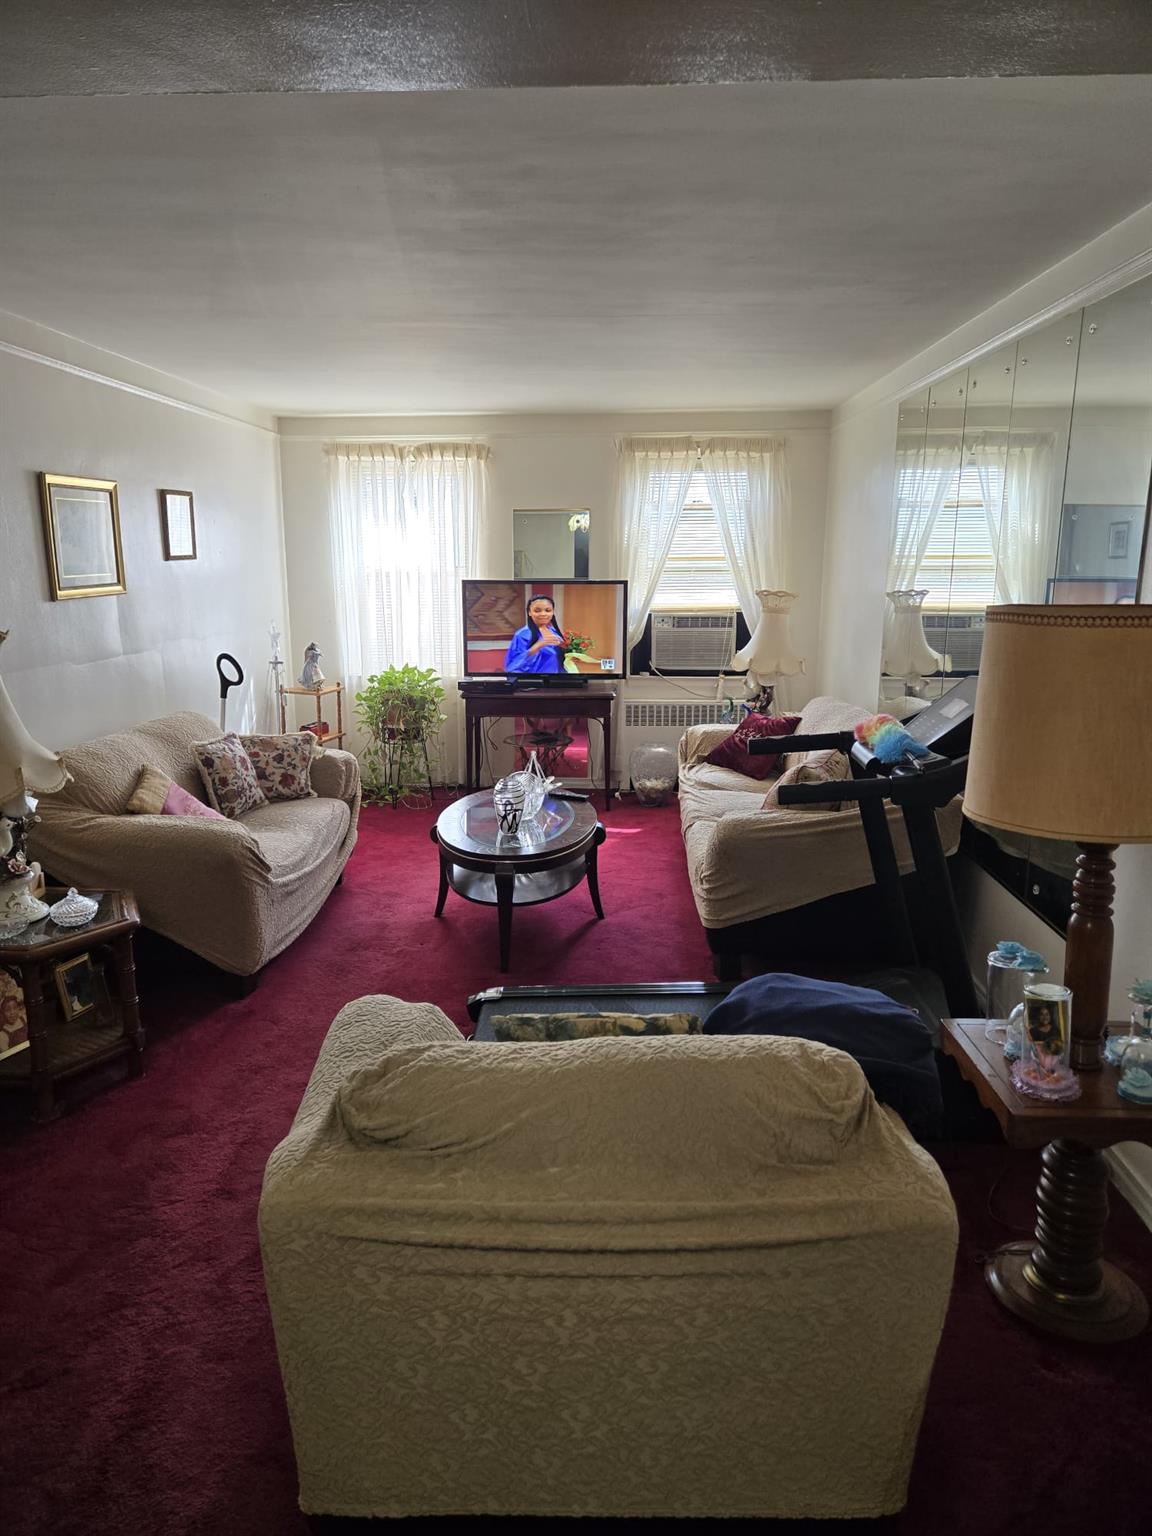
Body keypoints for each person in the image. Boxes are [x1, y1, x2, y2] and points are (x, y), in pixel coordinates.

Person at [504, 594, 567, 675]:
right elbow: (512, 666)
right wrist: (538, 646)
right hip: (533, 681)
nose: (543, 614)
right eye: (537, 611)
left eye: (548, 610)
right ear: (529, 612)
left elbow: (560, 660)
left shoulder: (554, 632)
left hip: (555, 680)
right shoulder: (522, 635)